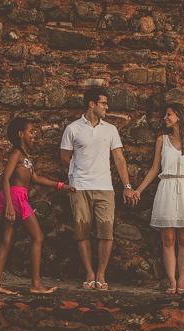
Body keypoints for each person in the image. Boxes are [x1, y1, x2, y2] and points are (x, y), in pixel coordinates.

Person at [0, 117, 74, 295]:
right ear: (21, 134)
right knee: (38, 237)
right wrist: (10, 206)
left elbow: (35, 179)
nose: (34, 135)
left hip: (15, 198)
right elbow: (5, 178)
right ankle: (35, 284)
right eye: (31, 132)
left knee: (7, 240)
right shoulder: (16, 153)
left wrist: (60, 185)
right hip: (15, 198)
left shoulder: (25, 156)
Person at [60, 87, 134, 290]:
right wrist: (78, 174)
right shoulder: (72, 129)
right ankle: (89, 274)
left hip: (105, 188)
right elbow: (65, 157)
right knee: (81, 232)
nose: (107, 107)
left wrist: (127, 186)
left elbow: (119, 159)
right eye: (103, 103)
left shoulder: (110, 129)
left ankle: (101, 274)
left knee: (106, 232)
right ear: (92, 104)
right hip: (79, 188)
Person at [133, 103, 184, 294]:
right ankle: (172, 280)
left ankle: (182, 280)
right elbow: (155, 169)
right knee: (168, 238)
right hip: (167, 188)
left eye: (168, 114)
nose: (165, 118)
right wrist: (138, 190)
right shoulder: (161, 140)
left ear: (179, 116)